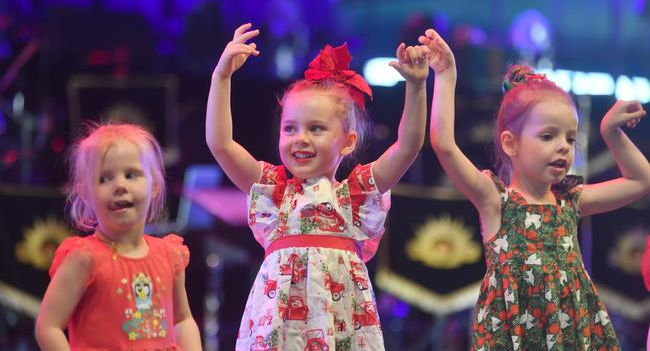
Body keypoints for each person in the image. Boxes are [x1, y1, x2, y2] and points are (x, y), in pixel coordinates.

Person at [423, 26, 650, 350]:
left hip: (569, 333)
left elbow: (641, 181)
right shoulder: (495, 200)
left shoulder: (569, 201)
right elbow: (443, 145)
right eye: (548, 136)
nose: (563, 147)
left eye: (570, 138)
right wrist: (446, 75)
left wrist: (610, 132)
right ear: (510, 143)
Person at [206, 23, 430, 350]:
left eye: (316, 128)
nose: (301, 139)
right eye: (290, 128)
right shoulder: (274, 189)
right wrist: (221, 78)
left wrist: (417, 86)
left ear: (348, 141)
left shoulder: (355, 195)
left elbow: (407, 146)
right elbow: (221, 144)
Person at [35, 123, 201, 350]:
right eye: (104, 179)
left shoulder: (170, 256)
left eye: (131, 175)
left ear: (154, 184)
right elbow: (48, 325)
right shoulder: (84, 258)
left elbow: (182, 320)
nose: (120, 185)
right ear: (85, 193)